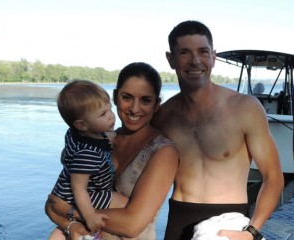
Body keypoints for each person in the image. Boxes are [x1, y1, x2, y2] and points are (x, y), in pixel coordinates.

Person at [152, 20, 284, 240]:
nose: (195, 61)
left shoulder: (245, 108)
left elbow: (273, 176)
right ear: (170, 59)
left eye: (203, 52)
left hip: (229, 223)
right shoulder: (163, 116)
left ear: (213, 56)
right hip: (177, 220)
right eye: (185, 52)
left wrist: (252, 231)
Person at [45, 62, 179, 240]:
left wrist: (69, 211)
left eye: (145, 100)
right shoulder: (96, 141)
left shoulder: (163, 152)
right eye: (127, 97)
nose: (134, 108)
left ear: (156, 105)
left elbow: (132, 225)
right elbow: (52, 202)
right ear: (115, 97)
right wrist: (68, 225)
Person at [48, 80, 129, 239]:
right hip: (79, 194)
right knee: (124, 202)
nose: (111, 116)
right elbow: (78, 188)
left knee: (64, 228)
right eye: (103, 114)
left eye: (109, 109)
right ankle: (93, 233)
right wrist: (90, 215)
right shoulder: (88, 153)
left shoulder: (79, 134)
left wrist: (109, 140)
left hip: (64, 192)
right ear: (81, 124)